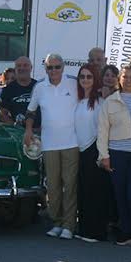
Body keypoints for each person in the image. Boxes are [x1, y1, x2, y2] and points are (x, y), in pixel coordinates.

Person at [26, 53, 80, 239]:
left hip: (72, 142)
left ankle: (69, 225)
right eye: (50, 67)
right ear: (45, 68)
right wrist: (28, 130)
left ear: (63, 67)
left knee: (70, 185)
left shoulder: (74, 83)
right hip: (49, 144)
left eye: (57, 67)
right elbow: (31, 111)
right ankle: (57, 223)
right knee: (53, 187)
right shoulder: (40, 87)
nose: (54, 70)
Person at [98, 62, 131, 247]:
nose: (128, 80)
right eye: (125, 77)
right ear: (119, 79)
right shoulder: (110, 101)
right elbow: (102, 130)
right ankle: (126, 232)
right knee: (120, 194)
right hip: (117, 154)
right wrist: (104, 156)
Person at [73, 63, 110, 242]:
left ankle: (96, 232)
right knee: (83, 191)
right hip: (79, 150)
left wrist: (102, 154)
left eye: (89, 77)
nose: (85, 80)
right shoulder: (78, 100)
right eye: (82, 77)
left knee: (95, 192)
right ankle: (84, 229)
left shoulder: (100, 102)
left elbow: (103, 130)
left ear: (95, 79)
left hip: (94, 149)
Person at [0, 57, 36, 127]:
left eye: (25, 65)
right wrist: (14, 126)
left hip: (38, 131)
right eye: (19, 66)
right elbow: (2, 113)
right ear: (15, 69)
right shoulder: (7, 90)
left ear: (31, 68)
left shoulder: (38, 87)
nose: (22, 68)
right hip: (17, 131)